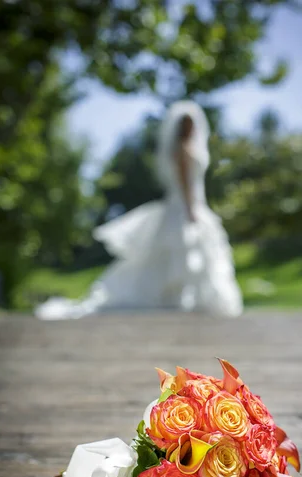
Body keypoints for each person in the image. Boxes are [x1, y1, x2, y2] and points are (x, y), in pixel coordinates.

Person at [35, 100, 243, 319]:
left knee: (185, 254)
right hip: (185, 205)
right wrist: (191, 209)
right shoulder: (183, 150)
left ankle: (181, 298)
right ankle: (175, 297)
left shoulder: (185, 148)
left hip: (189, 205)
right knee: (183, 252)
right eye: (188, 123)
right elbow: (186, 184)